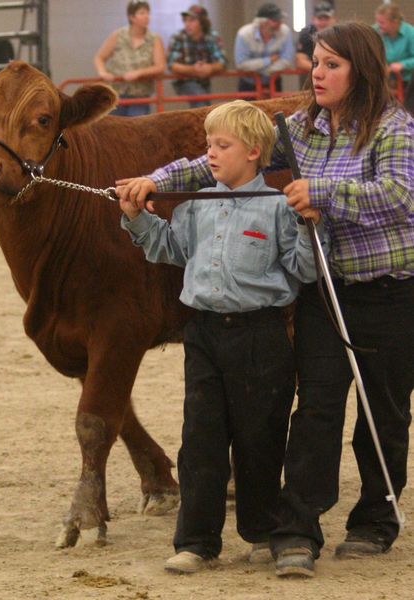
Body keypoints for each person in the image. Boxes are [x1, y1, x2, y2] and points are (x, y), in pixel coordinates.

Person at [116, 21, 413, 579]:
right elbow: (216, 162)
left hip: (390, 292)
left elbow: (399, 196)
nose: (316, 73)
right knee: (317, 410)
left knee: (386, 411)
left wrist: (321, 192)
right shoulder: (298, 129)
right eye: (315, 62)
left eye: (331, 65)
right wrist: (156, 181)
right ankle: (297, 530)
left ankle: (375, 518)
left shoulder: (395, 129)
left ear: (362, 71)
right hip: (325, 291)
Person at [118, 100, 327, 574]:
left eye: (221, 145)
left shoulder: (279, 208)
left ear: (254, 152)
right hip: (205, 335)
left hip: (263, 335)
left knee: (261, 439)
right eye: (208, 144)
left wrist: (310, 226)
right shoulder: (196, 206)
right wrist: (137, 218)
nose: (209, 154)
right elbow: (170, 249)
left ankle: (260, 533)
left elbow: (302, 268)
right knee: (200, 439)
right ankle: (196, 541)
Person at [93, 1, 165, 116]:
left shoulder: (154, 39)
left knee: (138, 128)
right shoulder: (118, 35)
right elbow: (100, 57)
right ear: (132, 17)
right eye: (142, 13)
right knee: (113, 127)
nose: (147, 17)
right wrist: (103, 72)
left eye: (148, 13)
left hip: (140, 94)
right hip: (116, 92)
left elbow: (160, 66)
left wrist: (139, 73)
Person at [166, 4, 227, 108]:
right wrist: (193, 69)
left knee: (205, 105)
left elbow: (223, 61)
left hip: (204, 81)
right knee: (201, 101)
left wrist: (210, 68)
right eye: (186, 20)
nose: (187, 24)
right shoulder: (178, 37)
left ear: (202, 23)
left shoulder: (212, 36)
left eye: (192, 20)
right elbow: (171, 65)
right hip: (183, 80)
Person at [234, 2, 294, 94]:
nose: (280, 23)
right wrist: (269, 60)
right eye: (275, 20)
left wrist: (263, 71)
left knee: (276, 108)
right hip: (248, 84)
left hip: (274, 83)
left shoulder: (285, 32)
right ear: (262, 23)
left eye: (280, 19)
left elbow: (287, 60)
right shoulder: (244, 34)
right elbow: (241, 64)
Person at [374, 3, 414, 111]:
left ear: (395, 23)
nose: (378, 25)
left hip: (407, 83)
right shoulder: (376, 31)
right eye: (377, 21)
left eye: (382, 22)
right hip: (384, 79)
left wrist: (403, 64)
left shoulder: (410, 33)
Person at [295, 3, 336, 73]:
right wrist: (322, 71)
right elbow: (300, 61)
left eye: (326, 18)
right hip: (311, 76)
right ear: (313, 19)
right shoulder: (306, 34)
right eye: (320, 19)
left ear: (334, 19)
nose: (323, 23)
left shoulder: (341, 35)